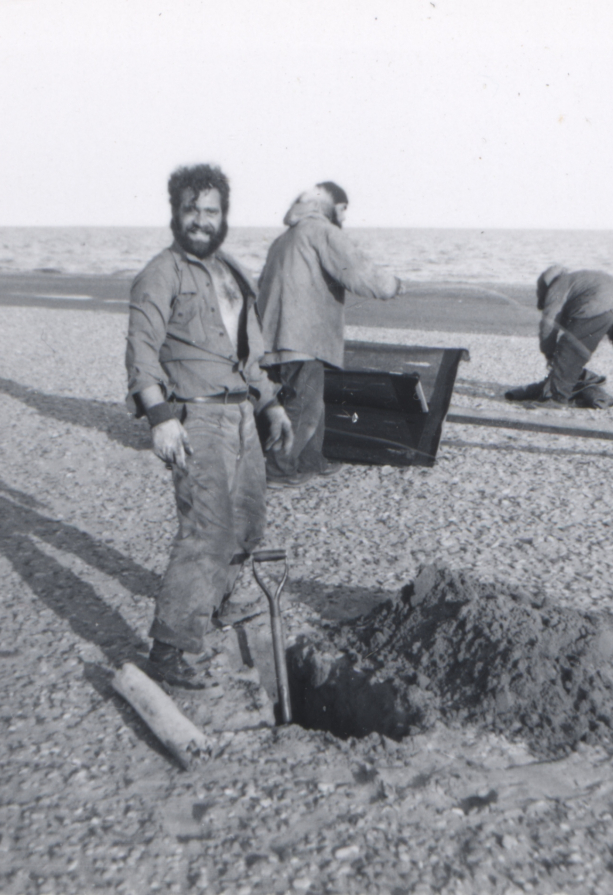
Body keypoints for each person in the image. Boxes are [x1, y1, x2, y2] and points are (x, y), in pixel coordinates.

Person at [125, 163, 294, 690]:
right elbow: (140, 353)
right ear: (176, 212)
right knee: (206, 532)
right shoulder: (161, 272)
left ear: (224, 216)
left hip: (242, 411)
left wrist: (270, 405)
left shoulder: (233, 272)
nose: (201, 220)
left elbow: (251, 355)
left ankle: (216, 603)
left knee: (246, 523)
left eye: (211, 210)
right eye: (191, 209)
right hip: (194, 415)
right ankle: (172, 649)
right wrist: (160, 419)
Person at [255, 182, 404, 486]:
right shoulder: (324, 232)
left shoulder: (285, 238)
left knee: (311, 400)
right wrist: (393, 285)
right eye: (343, 210)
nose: (345, 218)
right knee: (304, 405)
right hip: (303, 338)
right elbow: (359, 272)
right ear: (329, 206)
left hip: (272, 336)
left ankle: (314, 461)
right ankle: (277, 469)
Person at [504, 265, 613, 408]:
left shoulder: (558, 285)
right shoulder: (578, 278)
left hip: (601, 304)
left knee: (569, 348)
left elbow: (548, 323)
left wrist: (550, 353)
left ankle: (558, 399)